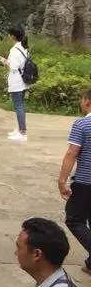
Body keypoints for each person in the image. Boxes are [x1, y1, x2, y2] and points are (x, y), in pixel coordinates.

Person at [59, 88, 91, 275]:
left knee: (74, 219)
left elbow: (72, 153)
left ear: (87, 102)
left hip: (85, 182)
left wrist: (62, 180)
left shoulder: (82, 125)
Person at [0, 26, 32, 141]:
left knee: (19, 107)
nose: (8, 36)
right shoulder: (24, 48)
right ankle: (20, 129)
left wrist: (6, 63)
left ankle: (22, 132)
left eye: (9, 34)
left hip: (17, 82)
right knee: (20, 106)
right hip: (23, 81)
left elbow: (14, 67)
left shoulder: (15, 50)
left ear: (13, 36)